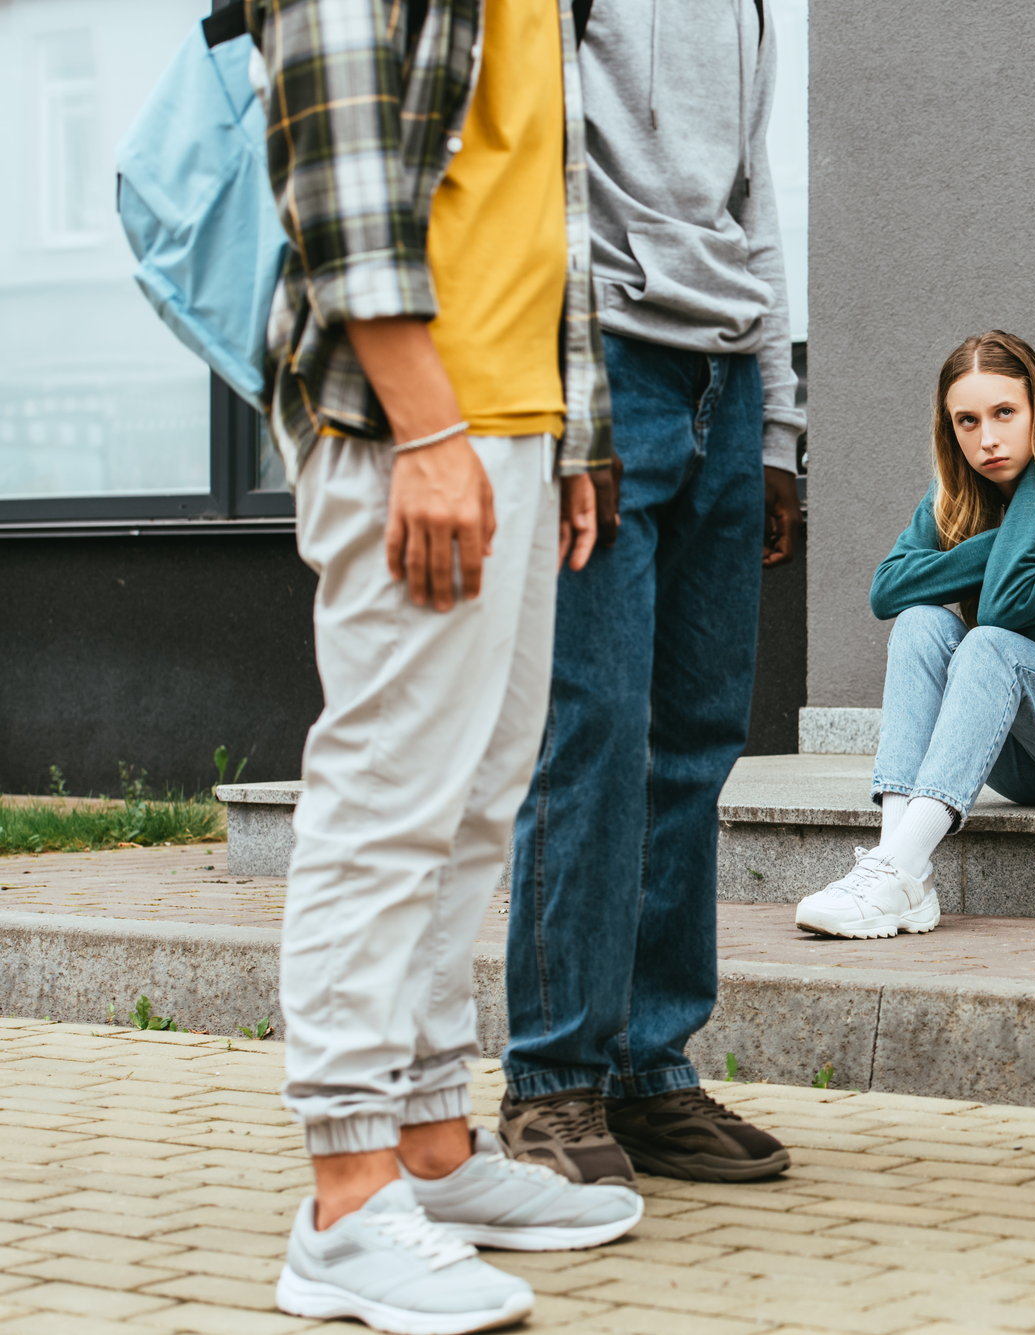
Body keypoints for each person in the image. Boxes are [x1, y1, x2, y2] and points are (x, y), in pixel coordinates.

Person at [254, 0, 644, 1328]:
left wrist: (574, 428)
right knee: (387, 799)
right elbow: (337, 153)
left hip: (513, 418)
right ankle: (346, 1200)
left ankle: (427, 1146)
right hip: (409, 418)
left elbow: (547, 189)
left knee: (478, 797)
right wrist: (425, 424)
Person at [495, 0, 804, 1187]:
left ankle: (649, 1068)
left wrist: (777, 427)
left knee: (695, 743)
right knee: (594, 734)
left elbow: (752, 197)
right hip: (608, 365)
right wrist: (574, 412)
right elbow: (540, 173)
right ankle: (551, 1081)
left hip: (725, 382)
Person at [792, 331, 1035, 939]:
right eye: (966, 422)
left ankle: (898, 870)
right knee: (921, 621)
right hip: (1024, 761)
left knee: (988, 643)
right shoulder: (959, 500)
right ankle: (896, 866)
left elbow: (1004, 606)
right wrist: (1018, 534)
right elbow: (888, 591)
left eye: (1004, 413)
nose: (986, 439)